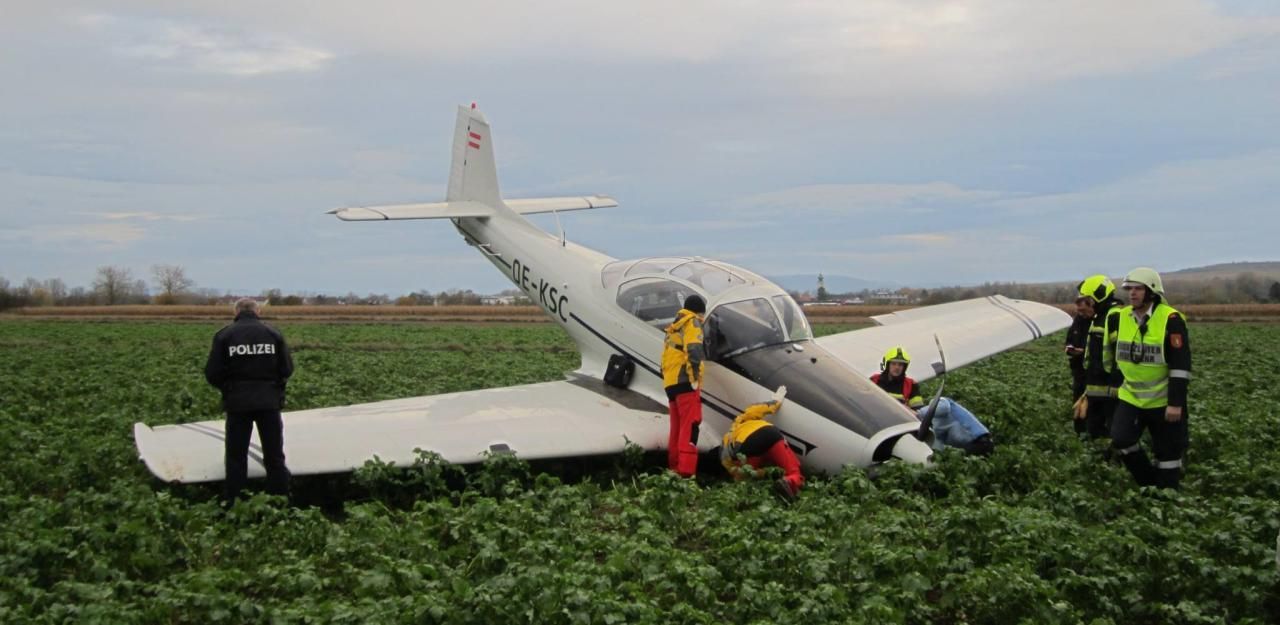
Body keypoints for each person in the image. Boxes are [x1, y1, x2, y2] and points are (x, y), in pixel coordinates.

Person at [204, 298, 294, 504]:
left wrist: (228, 389)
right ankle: (280, 501)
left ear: (235, 312)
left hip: (238, 404)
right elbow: (287, 369)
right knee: (274, 456)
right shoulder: (273, 334)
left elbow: (212, 373)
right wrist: (273, 387)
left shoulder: (224, 336)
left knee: (236, 456)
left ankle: (236, 502)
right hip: (269, 403)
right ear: (258, 311)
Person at [1109, 267, 1191, 489]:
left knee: (1168, 454)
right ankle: (1147, 483)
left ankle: (1167, 495)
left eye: (1138, 289)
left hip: (1163, 401)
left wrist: (1175, 404)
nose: (1132, 293)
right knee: (1121, 439)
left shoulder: (1171, 320)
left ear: (1152, 292)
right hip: (1131, 398)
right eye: (1129, 289)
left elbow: (1180, 367)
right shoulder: (1121, 317)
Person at [872, 346, 994, 456]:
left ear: (904, 367)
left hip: (908, 423)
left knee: (943, 415)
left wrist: (912, 413)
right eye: (894, 364)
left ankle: (974, 444)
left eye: (900, 365)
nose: (897, 367)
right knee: (946, 407)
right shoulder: (874, 381)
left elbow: (917, 408)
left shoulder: (910, 384)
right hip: (880, 423)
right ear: (888, 364)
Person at [720, 386, 803, 502]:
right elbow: (762, 408)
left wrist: (764, 473)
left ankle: (745, 501)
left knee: (746, 482)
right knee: (794, 471)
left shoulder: (726, 444)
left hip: (746, 445)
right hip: (770, 433)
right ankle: (789, 482)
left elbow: (739, 473)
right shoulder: (742, 418)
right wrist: (776, 400)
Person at [662, 294, 706, 477]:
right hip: (685, 382)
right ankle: (685, 473)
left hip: (671, 383)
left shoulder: (674, 326)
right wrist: (694, 377)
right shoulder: (692, 322)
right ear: (699, 311)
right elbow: (694, 350)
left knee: (677, 428)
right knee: (690, 426)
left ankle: (673, 468)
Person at [1073, 275, 1122, 440]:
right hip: (1097, 392)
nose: (1081, 306)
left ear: (1097, 299)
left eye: (1086, 301)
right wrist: (1087, 392)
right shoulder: (1098, 318)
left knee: (1110, 437)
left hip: (1111, 395)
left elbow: (1121, 357)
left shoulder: (1115, 317)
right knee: (1095, 435)